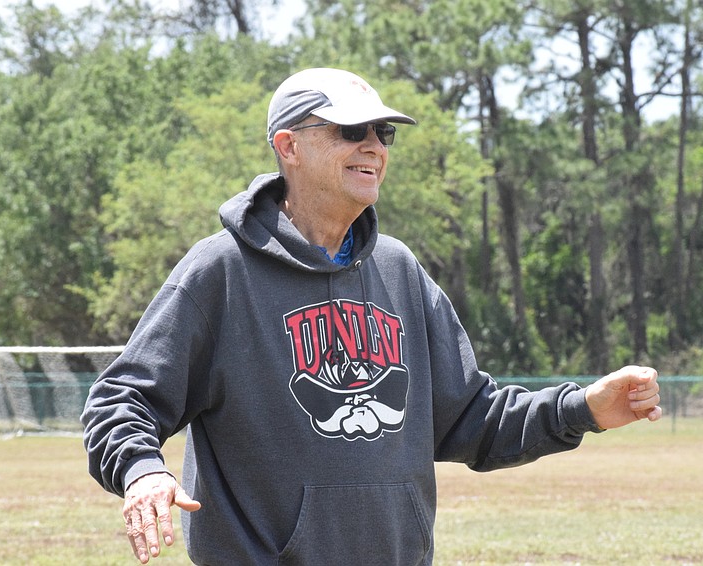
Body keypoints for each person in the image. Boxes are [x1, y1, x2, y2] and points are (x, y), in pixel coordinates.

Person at [82, 67, 662, 565]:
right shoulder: (220, 270)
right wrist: (143, 470)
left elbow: (471, 418)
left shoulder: (399, 270)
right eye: (351, 130)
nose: (375, 147)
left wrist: (582, 408)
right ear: (289, 146)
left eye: (383, 132)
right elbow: (122, 398)